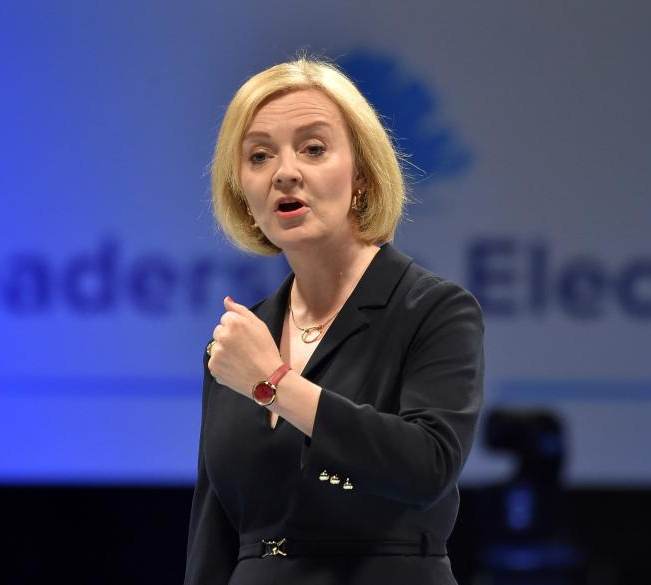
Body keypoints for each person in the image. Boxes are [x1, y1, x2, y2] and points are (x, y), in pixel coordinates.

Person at [184, 56, 485, 585]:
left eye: (313, 148)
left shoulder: (433, 310)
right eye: (259, 156)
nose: (285, 172)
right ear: (243, 195)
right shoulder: (237, 343)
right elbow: (214, 532)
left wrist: (274, 384)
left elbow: (427, 468)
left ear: (362, 176)